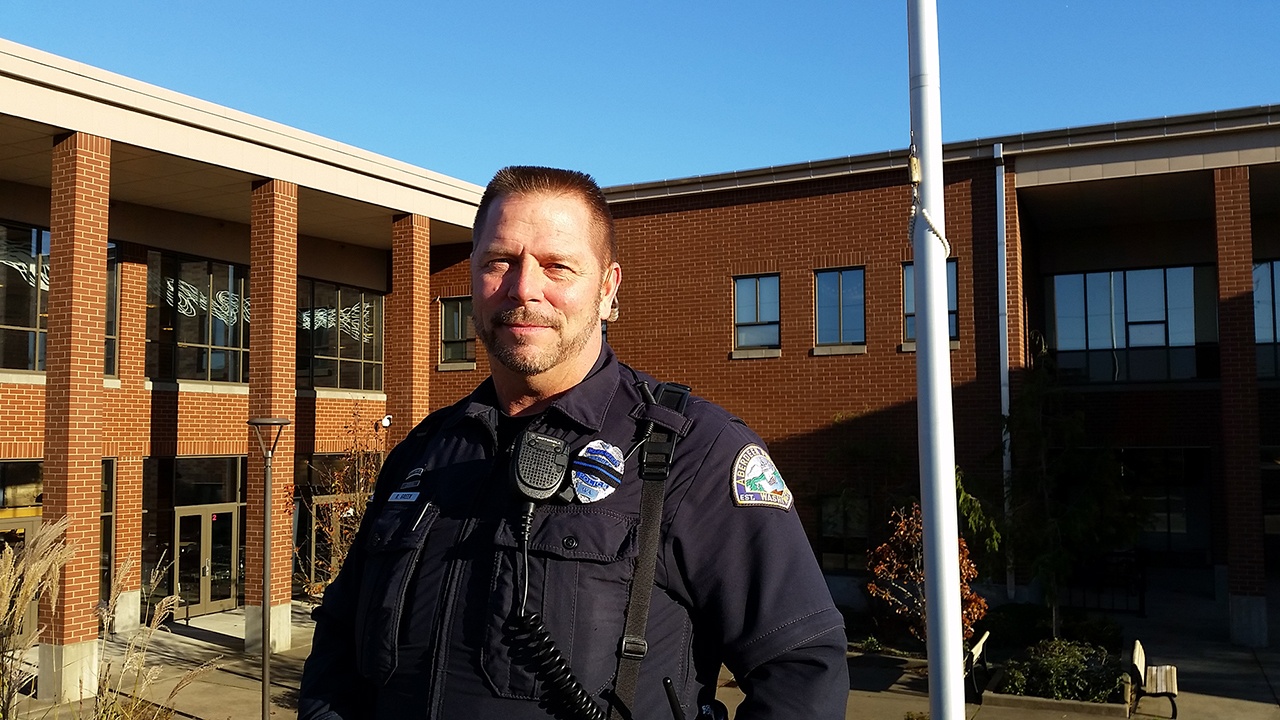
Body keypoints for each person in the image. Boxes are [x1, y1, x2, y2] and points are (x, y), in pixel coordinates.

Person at [298, 166, 849, 720]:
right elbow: (340, 646)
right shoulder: (423, 453)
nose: (523, 288)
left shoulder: (693, 453)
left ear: (608, 291)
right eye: (499, 262)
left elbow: (802, 667)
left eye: (557, 266)